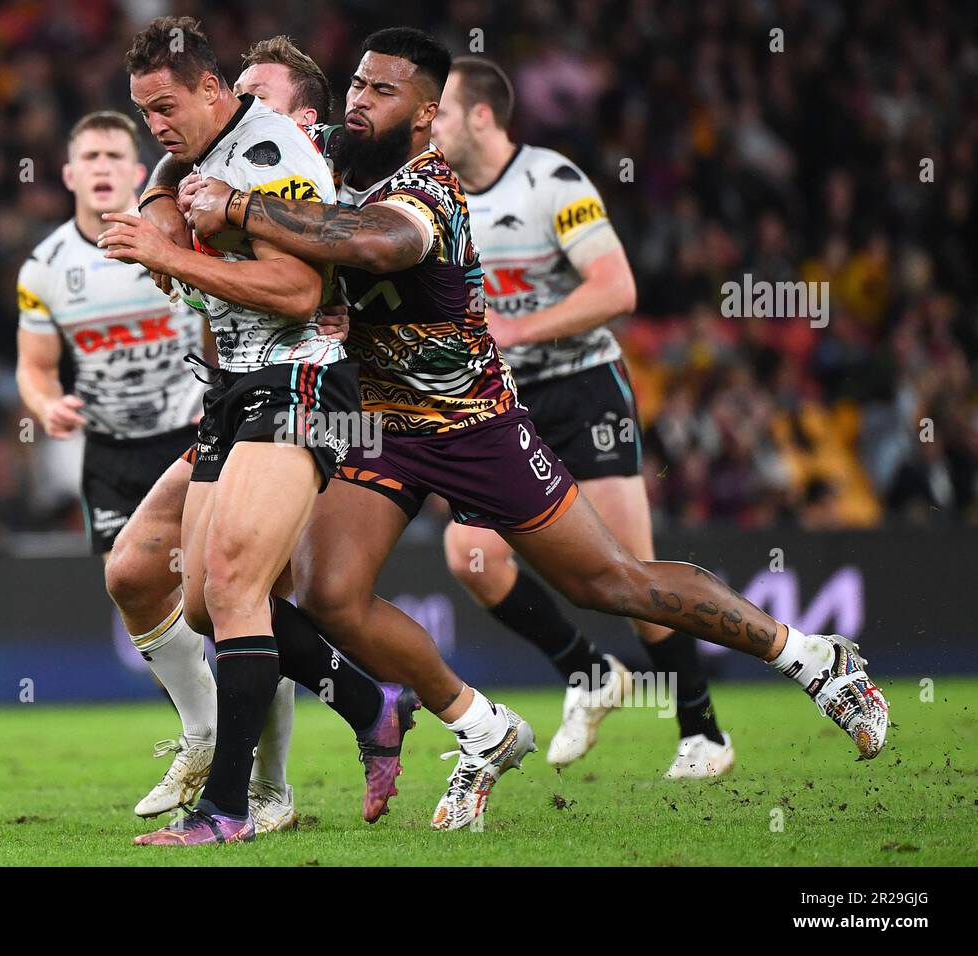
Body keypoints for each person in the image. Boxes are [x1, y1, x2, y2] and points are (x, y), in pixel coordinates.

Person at [182, 27, 890, 832]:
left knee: (615, 583)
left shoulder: (430, 187)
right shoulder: (327, 171)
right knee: (328, 593)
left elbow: (382, 245)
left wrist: (242, 207)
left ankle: (808, 657)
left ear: (426, 113)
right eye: (355, 85)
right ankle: (482, 730)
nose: (359, 100)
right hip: (379, 425)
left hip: (474, 422)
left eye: (382, 91)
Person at [99, 17, 418, 846]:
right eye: (143, 111)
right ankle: (370, 704)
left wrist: (167, 255)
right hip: (240, 389)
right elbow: (172, 179)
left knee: (236, 585)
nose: (156, 125)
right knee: (204, 604)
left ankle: (230, 808)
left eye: (166, 105)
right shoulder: (202, 153)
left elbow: (296, 292)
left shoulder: (268, 155)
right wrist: (157, 206)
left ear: (215, 90)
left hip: (306, 375)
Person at [430, 56, 734, 778]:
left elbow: (617, 286)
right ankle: (589, 673)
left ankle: (703, 734)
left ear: (480, 116)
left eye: (439, 110)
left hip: (582, 389)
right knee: (468, 555)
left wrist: (519, 328)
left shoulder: (553, 183)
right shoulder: (434, 197)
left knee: (632, 575)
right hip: (502, 404)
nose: (427, 123)